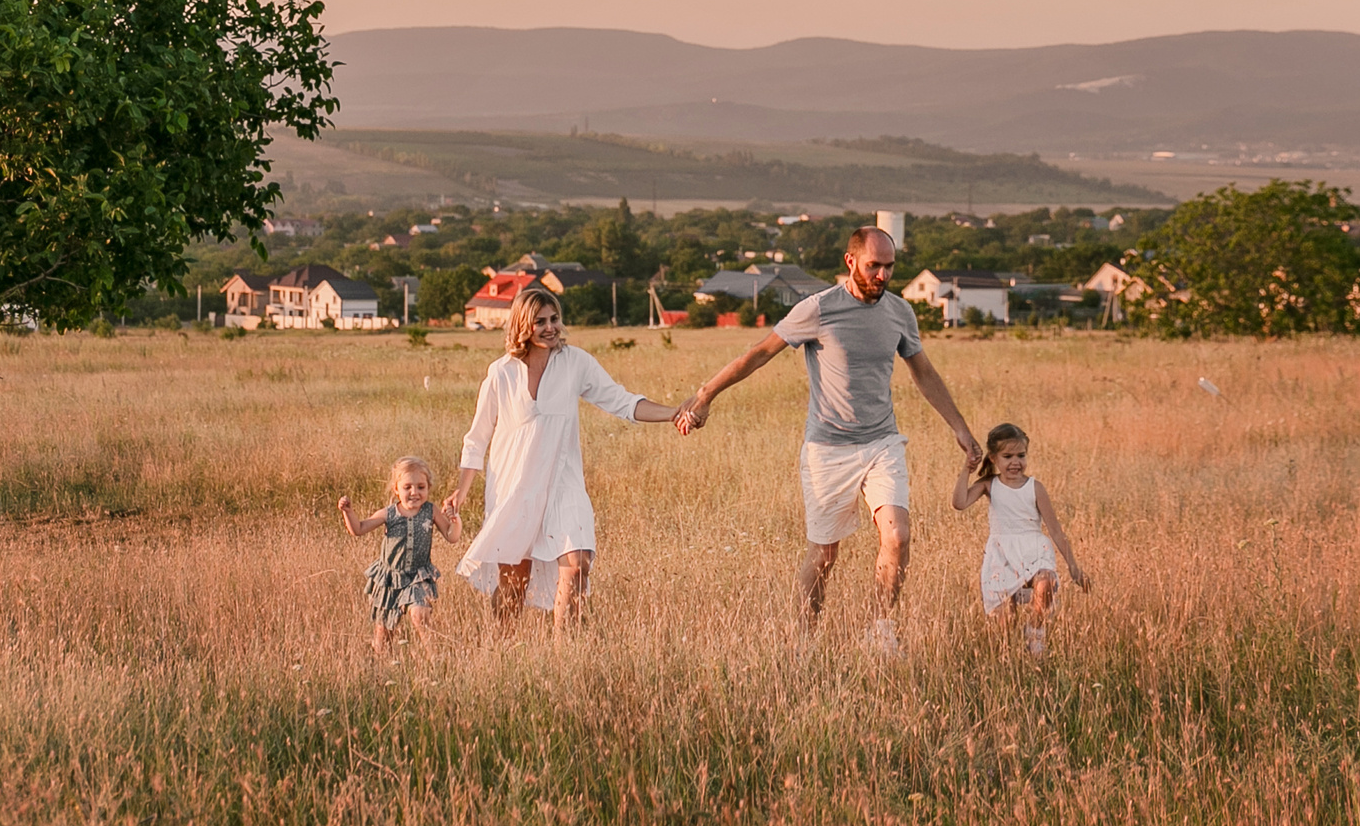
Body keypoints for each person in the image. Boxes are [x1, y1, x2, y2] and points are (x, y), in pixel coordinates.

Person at [674, 226, 980, 653]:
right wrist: (706, 395)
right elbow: (759, 354)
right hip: (828, 449)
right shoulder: (817, 310)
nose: (883, 275)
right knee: (824, 555)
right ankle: (803, 642)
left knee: (897, 536)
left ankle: (881, 631)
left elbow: (924, 372)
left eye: (890, 266)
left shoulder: (899, 313)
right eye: (874, 266)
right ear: (851, 262)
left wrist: (960, 429)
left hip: (881, 442)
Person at [447, 285, 681, 633]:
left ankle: (564, 653)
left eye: (554, 319)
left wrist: (674, 413)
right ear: (521, 325)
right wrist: (461, 492)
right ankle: (502, 649)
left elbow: (622, 401)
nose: (550, 327)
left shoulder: (576, 363)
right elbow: (477, 438)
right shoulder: (502, 372)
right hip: (516, 488)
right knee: (514, 581)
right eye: (539, 321)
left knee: (578, 563)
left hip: (563, 483)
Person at [951, 421, 1087, 656]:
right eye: (1008, 456)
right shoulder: (989, 484)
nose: (1015, 462)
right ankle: (1010, 660)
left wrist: (1073, 567)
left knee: (1047, 582)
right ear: (993, 458)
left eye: (1021, 455)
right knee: (1005, 624)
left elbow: (1055, 530)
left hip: (1033, 549)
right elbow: (959, 503)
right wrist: (967, 469)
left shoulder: (1035, 487)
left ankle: (1035, 632)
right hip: (1002, 555)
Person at [338, 456, 460, 657]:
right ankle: (379, 667)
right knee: (383, 634)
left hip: (417, 576)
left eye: (421, 487)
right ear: (396, 489)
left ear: (428, 488)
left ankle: (435, 659)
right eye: (407, 487)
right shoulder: (389, 514)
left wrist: (456, 520)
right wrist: (348, 513)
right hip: (390, 578)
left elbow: (451, 536)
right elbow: (358, 529)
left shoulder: (430, 511)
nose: (414, 492)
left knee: (420, 614)